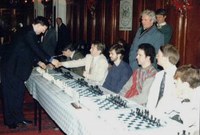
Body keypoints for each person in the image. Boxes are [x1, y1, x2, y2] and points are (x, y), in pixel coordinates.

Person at [1, 16, 59, 129]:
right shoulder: (29, 33)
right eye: (44, 29)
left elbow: (28, 51)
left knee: (18, 95)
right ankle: (10, 121)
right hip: (11, 69)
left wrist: (38, 62)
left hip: (18, 69)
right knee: (10, 96)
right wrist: (50, 59)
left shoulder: (28, 32)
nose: (43, 32)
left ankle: (19, 118)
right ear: (39, 25)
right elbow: (36, 49)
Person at [146, 44, 180, 115]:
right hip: (154, 114)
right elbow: (152, 97)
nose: (156, 57)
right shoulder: (159, 75)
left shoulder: (178, 77)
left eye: (158, 55)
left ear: (165, 58)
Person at [170, 65, 200, 135]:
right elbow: (167, 109)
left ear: (185, 85)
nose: (174, 86)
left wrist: (185, 100)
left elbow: (188, 121)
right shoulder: (189, 93)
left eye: (176, 83)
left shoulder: (196, 98)